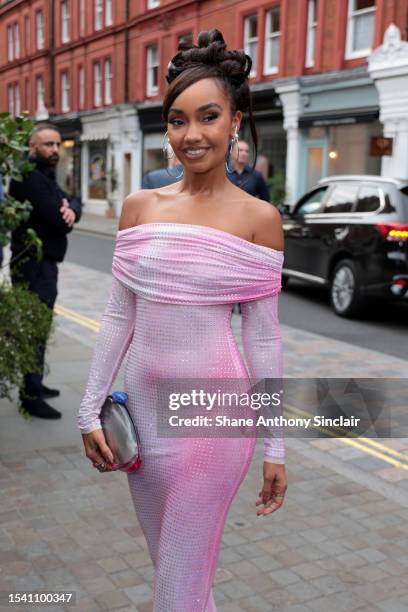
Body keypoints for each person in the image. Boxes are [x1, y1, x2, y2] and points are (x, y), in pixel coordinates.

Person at [78, 29, 287, 611]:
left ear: (235, 122)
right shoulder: (139, 208)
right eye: (177, 120)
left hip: (214, 419)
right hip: (141, 418)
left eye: (208, 116)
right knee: (180, 575)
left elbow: (264, 340)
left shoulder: (259, 219)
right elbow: (119, 314)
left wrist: (277, 446)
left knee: (176, 585)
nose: (191, 135)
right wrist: (88, 406)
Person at [9, 123, 82, 420]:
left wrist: (72, 208)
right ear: (32, 147)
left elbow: (73, 200)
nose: (54, 149)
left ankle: (35, 385)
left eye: (56, 144)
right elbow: (57, 220)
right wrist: (66, 211)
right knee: (35, 329)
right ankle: (30, 396)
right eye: (47, 145)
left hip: (44, 263)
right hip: (32, 264)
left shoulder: (45, 176)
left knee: (40, 327)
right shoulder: (29, 177)